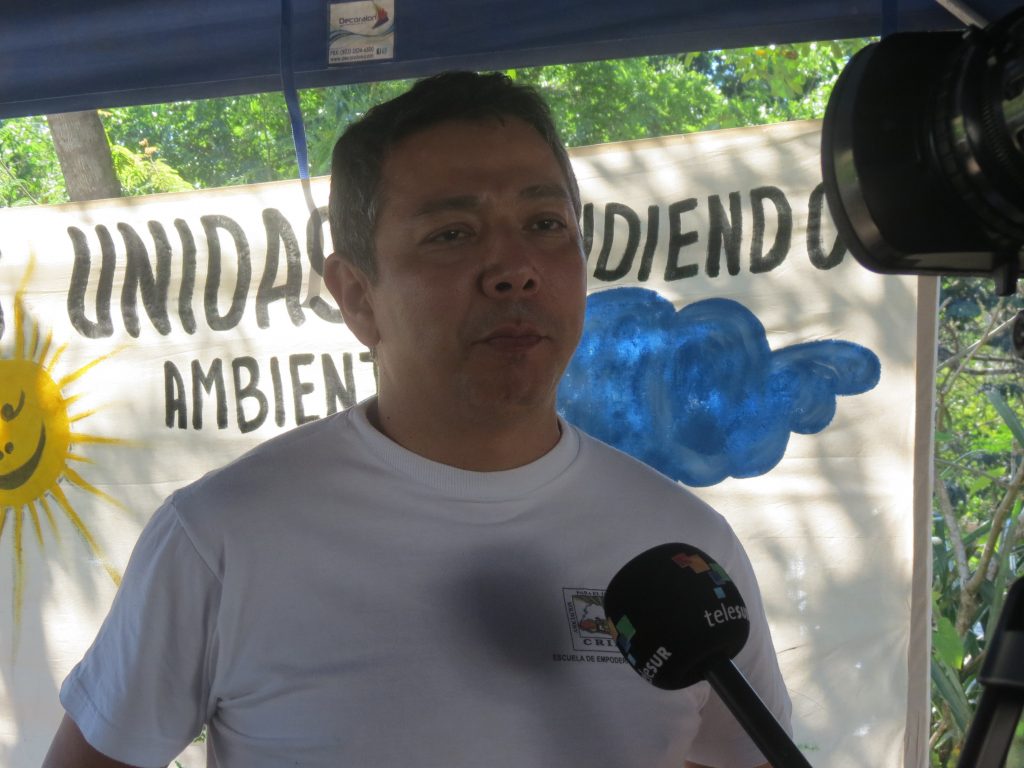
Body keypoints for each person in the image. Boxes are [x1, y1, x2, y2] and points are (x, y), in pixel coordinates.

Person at [43, 71, 791, 768]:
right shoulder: (221, 537)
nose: (515, 269)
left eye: (545, 223)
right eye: (452, 234)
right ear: (356, 295)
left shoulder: (687, 550)